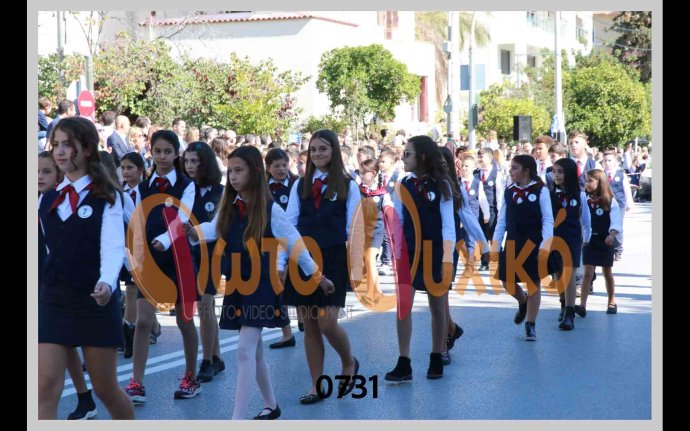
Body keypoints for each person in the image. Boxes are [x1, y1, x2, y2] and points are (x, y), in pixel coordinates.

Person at [38, 117, 135, 419]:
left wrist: (107, 282)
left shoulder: (107, 196)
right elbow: (47, 248)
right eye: (56, 144)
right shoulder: (46, 197)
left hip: (95, 299)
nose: (60, 151)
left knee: (106, 389)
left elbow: (113, 246)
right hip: (55, 298)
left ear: (88, 149)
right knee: (44, 386)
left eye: (68, 145)